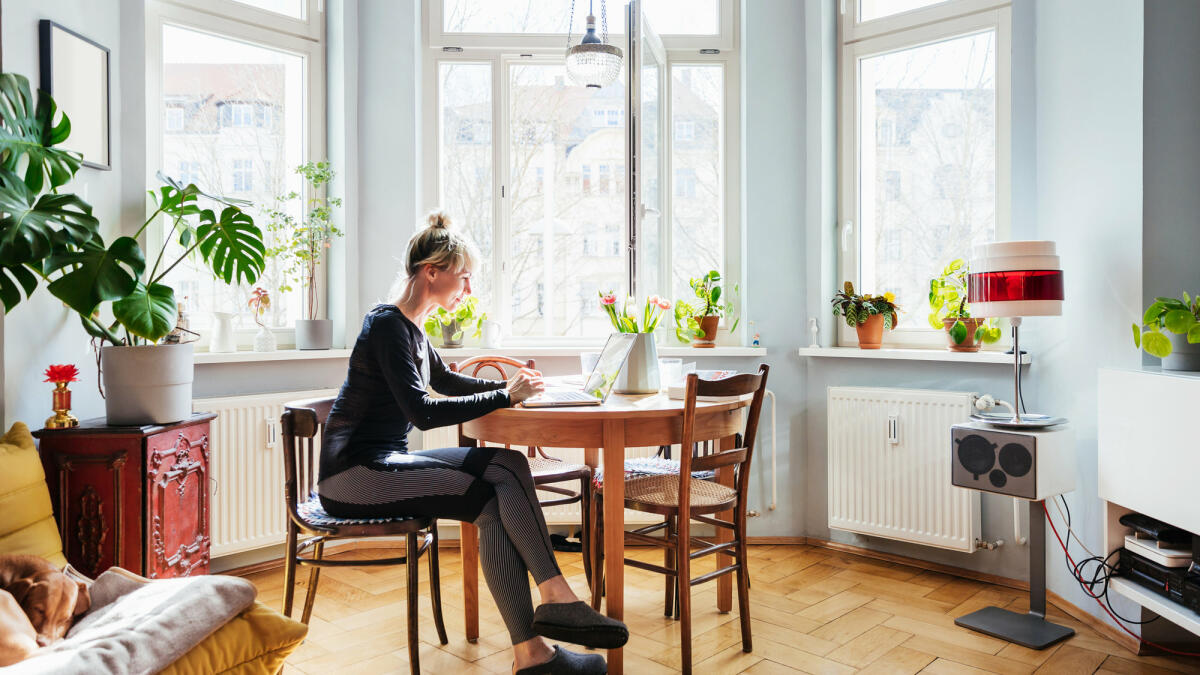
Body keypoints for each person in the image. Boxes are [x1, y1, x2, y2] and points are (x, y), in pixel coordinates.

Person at [317, 211, 627, 675]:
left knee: (499, 484)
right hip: (352, 478)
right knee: (504, 471)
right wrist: (505, 395)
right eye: (463, 278)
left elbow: (447, 380)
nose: (466, 290)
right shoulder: (385, 326)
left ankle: (534, 653)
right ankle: (555, 603)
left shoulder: (412, 328)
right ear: (432, 272)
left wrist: (515, 386)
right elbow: (422, 410)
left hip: (380, 464)